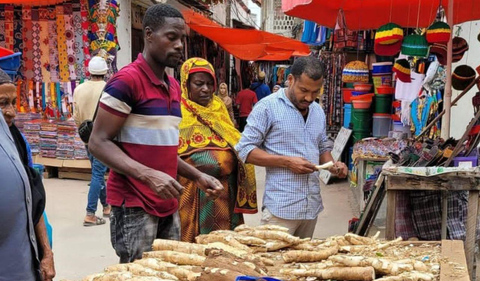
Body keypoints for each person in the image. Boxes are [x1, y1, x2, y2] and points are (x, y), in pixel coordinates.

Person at [89, 4, 224, 263]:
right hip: (134, 206)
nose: (179, 45)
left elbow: (162, 152)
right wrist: (148, 175)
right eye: (171, 37)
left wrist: (197, 176)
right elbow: (97, 142)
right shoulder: (126, 82)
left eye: (182, 38)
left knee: (167, 276)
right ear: (148, 34)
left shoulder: (173, 86)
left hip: (168, 203)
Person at [236, 56, 348, 238]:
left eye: (315, 92)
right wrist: (287, 162)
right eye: (304, 90)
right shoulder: (267, 107)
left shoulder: (317, 111)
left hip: (310, 208)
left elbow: (321, 146)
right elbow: (244, 150)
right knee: (273, 264)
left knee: (302, 263)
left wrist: (332, 165)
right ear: (290, 80)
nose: (309, 97)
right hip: (281, 210)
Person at [178, 58, 257, 242]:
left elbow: (235, 141)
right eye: (198, 84)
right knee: (195, 254)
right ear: (186, 84)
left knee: (225, 250)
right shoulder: (178, 112)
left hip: (225, 195)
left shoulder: (218, 108)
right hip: (194, 197)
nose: (205, 89)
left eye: (209, 84)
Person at [0, 71, 54, 281]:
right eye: (2, 104)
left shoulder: (16, 141)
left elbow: (33, 202)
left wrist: (46, 253)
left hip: (21, 267)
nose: (11, 111)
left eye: (13, 103)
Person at [73, 56, 111, 226]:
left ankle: (107, 206)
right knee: (97, 174)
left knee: (98, 173)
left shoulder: (79, 89)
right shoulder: (108, 88)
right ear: (105, 71)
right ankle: (90, 214)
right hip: (103, 138)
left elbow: (75, 116)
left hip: (87, 137)